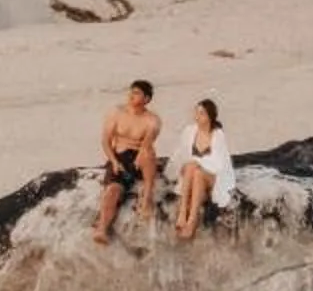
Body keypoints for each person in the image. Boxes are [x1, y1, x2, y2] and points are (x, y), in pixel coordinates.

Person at [95, 79, 161, 243]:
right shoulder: (116, 113)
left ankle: (146, 199)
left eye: (137, 93)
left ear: (146, 99)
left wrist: (140, 158)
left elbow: (146, 145)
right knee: (113, 191)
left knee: (148, 154)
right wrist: (114, 161)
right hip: (119, 155)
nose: (132, 95)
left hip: (140, 157)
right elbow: (105, 140)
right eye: (131, 91)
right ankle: (102, 229)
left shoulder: (152, 120)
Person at [173, 98, 234, 241]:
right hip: (195, 175)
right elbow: (181, 154)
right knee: (193, 168)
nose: (197, 116)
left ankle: (192, 221)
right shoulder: (190, 131)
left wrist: (200, 162)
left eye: (201, 113)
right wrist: (183, 166)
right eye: (196, 113)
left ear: (209, 116)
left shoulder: (217, 134)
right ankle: (183, 215)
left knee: (196, 167)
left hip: (214, 178)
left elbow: (220, 163)